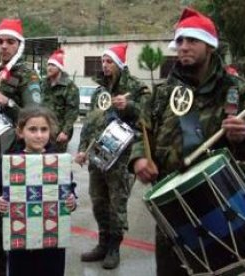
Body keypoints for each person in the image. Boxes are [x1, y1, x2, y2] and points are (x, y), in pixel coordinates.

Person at [129, 7, 245, 276]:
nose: (183, 47)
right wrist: (139, 159)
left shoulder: (235, 90)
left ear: (210, 46)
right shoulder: (162, 93)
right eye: (179, 41)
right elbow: (140, 131)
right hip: (172, 201)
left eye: (192, 41)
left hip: (223, 200)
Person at [75, 43, 150, 269]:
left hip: (123, 158)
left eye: (109, 62)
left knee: (116, 205)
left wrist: (130, 106)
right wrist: (81, 148)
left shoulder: (136, 88)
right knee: (98, 202)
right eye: (103, 62)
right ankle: (102, 243)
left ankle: (114, 248)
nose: (105, 66)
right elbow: (89, 123)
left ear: (119, 64)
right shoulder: (100, 92)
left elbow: (148, 118)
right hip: (98, 156)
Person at [0, 18, 42, 275]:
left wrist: (7, 102)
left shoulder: (27, 74)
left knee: (16, 217)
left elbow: (36, 117)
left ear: (19, 45)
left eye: (10, 42)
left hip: (17, 155)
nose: (4, 46)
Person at [0, 106, 76, 276]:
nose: (39, 135)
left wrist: (72, 201)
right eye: (32, 129)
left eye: (44, 129)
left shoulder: (59, 162)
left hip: (52, 241)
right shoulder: (10, 163)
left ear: (50, 132)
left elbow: (69, 190)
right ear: (20, 132)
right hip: (20, 240)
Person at [41, 49, 79, 153]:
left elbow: (72, 112)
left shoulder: (69, 86)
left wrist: (65, 132)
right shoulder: (43, 84)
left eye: (53, 65)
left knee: (56, 164)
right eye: (48, 65)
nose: (49, 68)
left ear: (59, 68)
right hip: (42, 131)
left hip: (58, 134)